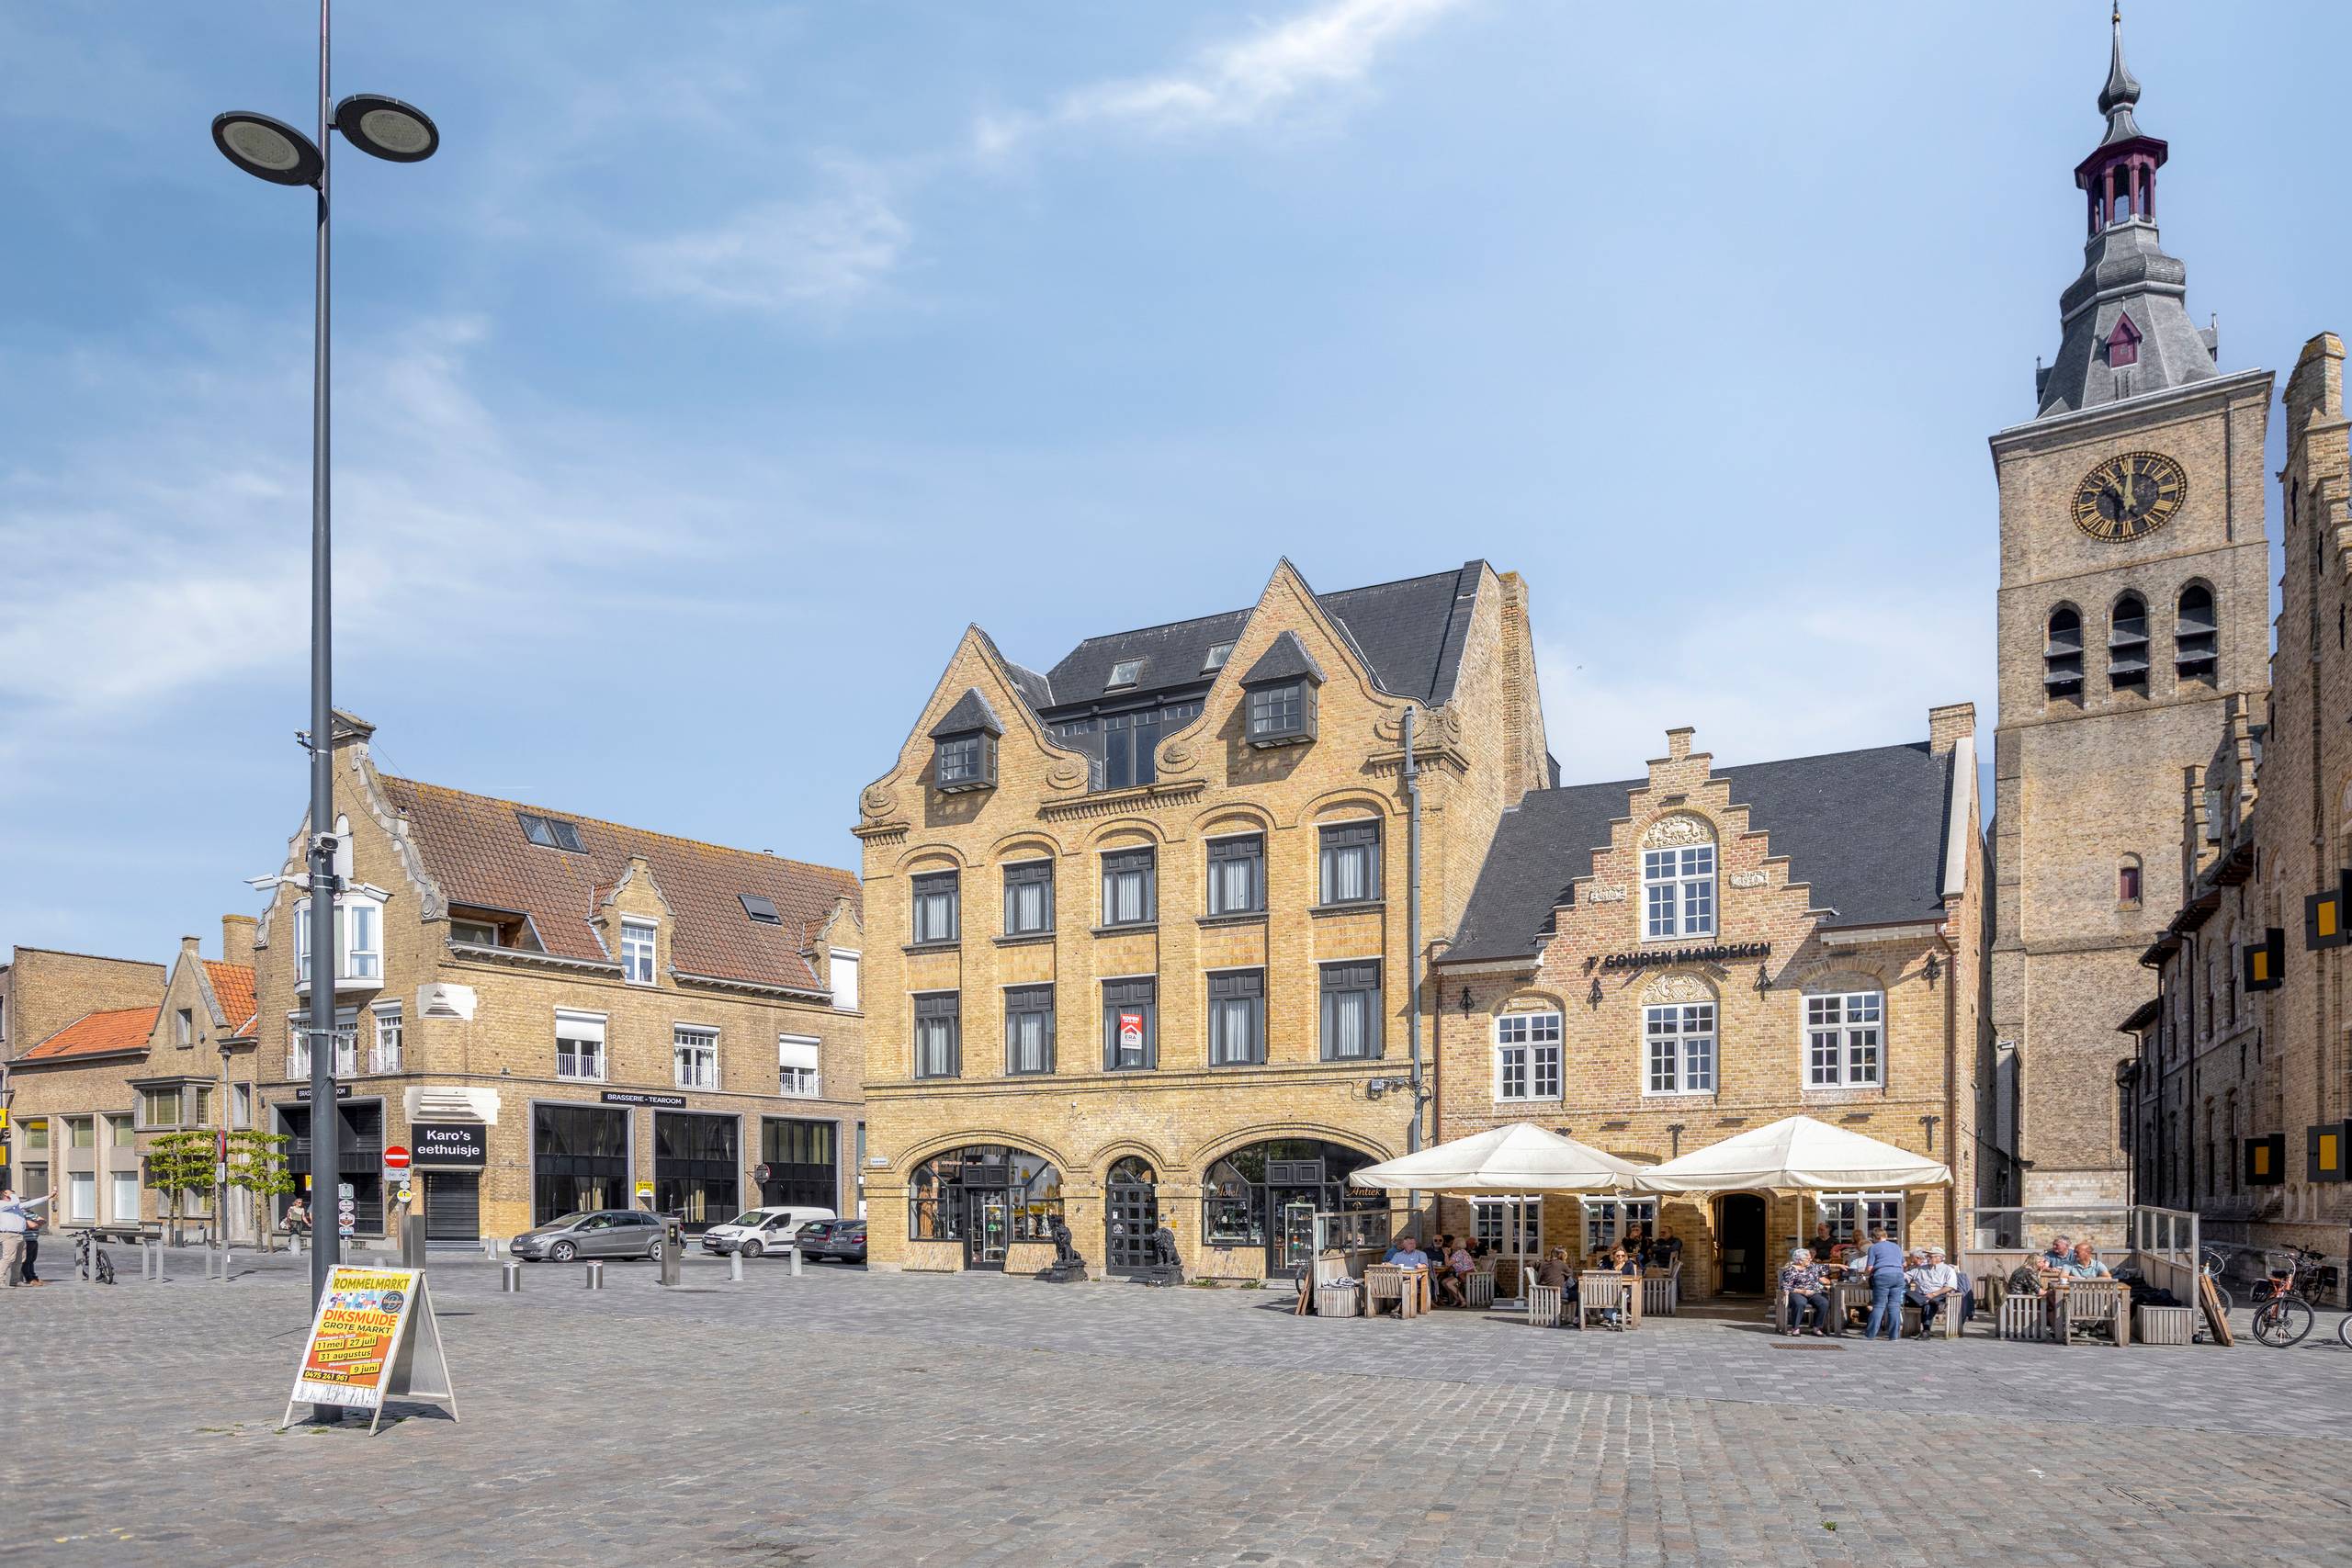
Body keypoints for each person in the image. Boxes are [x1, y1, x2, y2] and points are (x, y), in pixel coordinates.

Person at [1860, 1224, 1907, 1341]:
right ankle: (1893, 1336)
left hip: (1882, 1276)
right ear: (1886, 1236)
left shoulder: (1873, 1248)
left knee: (1879, 1306)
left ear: (1874, 1238)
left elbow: (1870, 1267)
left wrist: (1865, 1274)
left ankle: (1870, 1335)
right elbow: (1904, 1264)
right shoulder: (1896, 1247)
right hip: (1898, 1276)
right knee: (1894, 1306)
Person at [1905, 1247, 1966, 1337]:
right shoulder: (1921, 1269)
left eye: (1930, 1256)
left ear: (1939, 1258)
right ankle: (1925, 1301)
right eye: (1927, 1256)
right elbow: (1906, 1276)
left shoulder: (1948, 1270)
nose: (1927, 1258)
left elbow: (1950, 1286)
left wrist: (1933, 1294)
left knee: (1929, 1304)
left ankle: (1926, 1330)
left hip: (1939, 1295)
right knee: (1906, 1292)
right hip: (1921, 1296)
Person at [0, 1188, 54, 1287]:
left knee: (20, 1259)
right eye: (11, 1194)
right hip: (9, 1234)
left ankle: (15, 1281)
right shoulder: (2, 1204)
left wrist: (48, 1197)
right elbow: (15, 1202)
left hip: (20, 1235)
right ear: (5, 1195)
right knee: (8, 1258)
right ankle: (1, 1281)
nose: (14, 1195)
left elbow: (32, 1203)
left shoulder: (16, 1207)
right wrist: (12, 1195)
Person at [1779, 1247, 1834, 1336]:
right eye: (1808, 1259)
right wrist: (1802, 1291)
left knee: (1824, 1303)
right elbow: (1785, 1286)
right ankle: (1795, 1328)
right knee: (1800, 1303)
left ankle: (1817, 1328)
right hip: (1797, 1292)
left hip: (1813, 1292)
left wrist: (1839, 1266)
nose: (1811, 1260)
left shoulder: (1811, 1266)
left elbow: (1825, 1266)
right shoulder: (1790, 1270)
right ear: (1800, 1260)